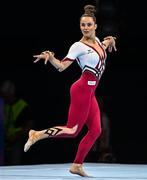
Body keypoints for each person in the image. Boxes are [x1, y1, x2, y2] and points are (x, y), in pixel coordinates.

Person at [24, 4, 117, 177]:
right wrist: (51, 58)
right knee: (72, 130)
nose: (86, 28)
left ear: (95, 26)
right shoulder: (78, 46)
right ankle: (36, 134)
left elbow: (102, 45)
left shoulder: (97, 41)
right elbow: (61, 66)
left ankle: (77, 165)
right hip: (81, 90)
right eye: (83, 25)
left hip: (90, 93)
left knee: (96, 130)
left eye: (89, 25)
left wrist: (110, 40)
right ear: (80, 27)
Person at [0, 80, 33, 165]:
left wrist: (17, 136)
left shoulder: (23, 106)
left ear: (11, 92)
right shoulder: (3, 104)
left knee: (14, 164)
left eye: (5, 94)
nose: (3, 96)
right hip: (3, 140)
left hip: (16, 140)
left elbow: (29, 124)